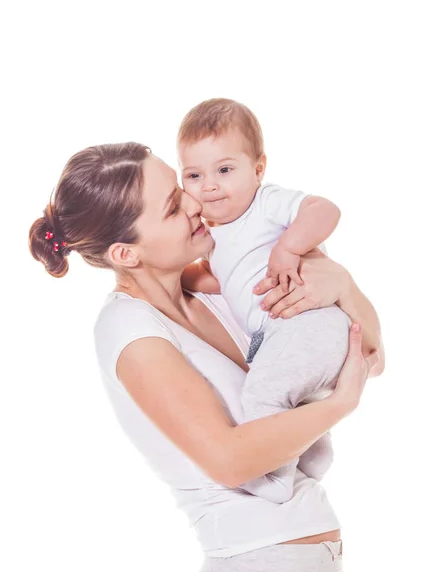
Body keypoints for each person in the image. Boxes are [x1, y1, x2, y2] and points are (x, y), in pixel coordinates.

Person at [28, 142, 384, 571]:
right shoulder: (127, 329)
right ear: (126, 253)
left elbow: (369, 357)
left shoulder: (219, 289)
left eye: (183, 189)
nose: (197, 202)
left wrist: (344, 286)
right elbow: (230, 461)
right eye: (173, 207)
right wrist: (341, 404)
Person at [178, 98, 352, 503]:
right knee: (293, 402)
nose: (209, 185)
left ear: (258, 168)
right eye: (193, 174)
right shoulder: (215, 234)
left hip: (306, 324)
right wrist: (173, 276)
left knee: (261, 398)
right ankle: (313, 457)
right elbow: (218, 279)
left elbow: (324, 209)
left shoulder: (265, 203)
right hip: (284, 336)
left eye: (224, 170)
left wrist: (289, 248)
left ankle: (272, 477)